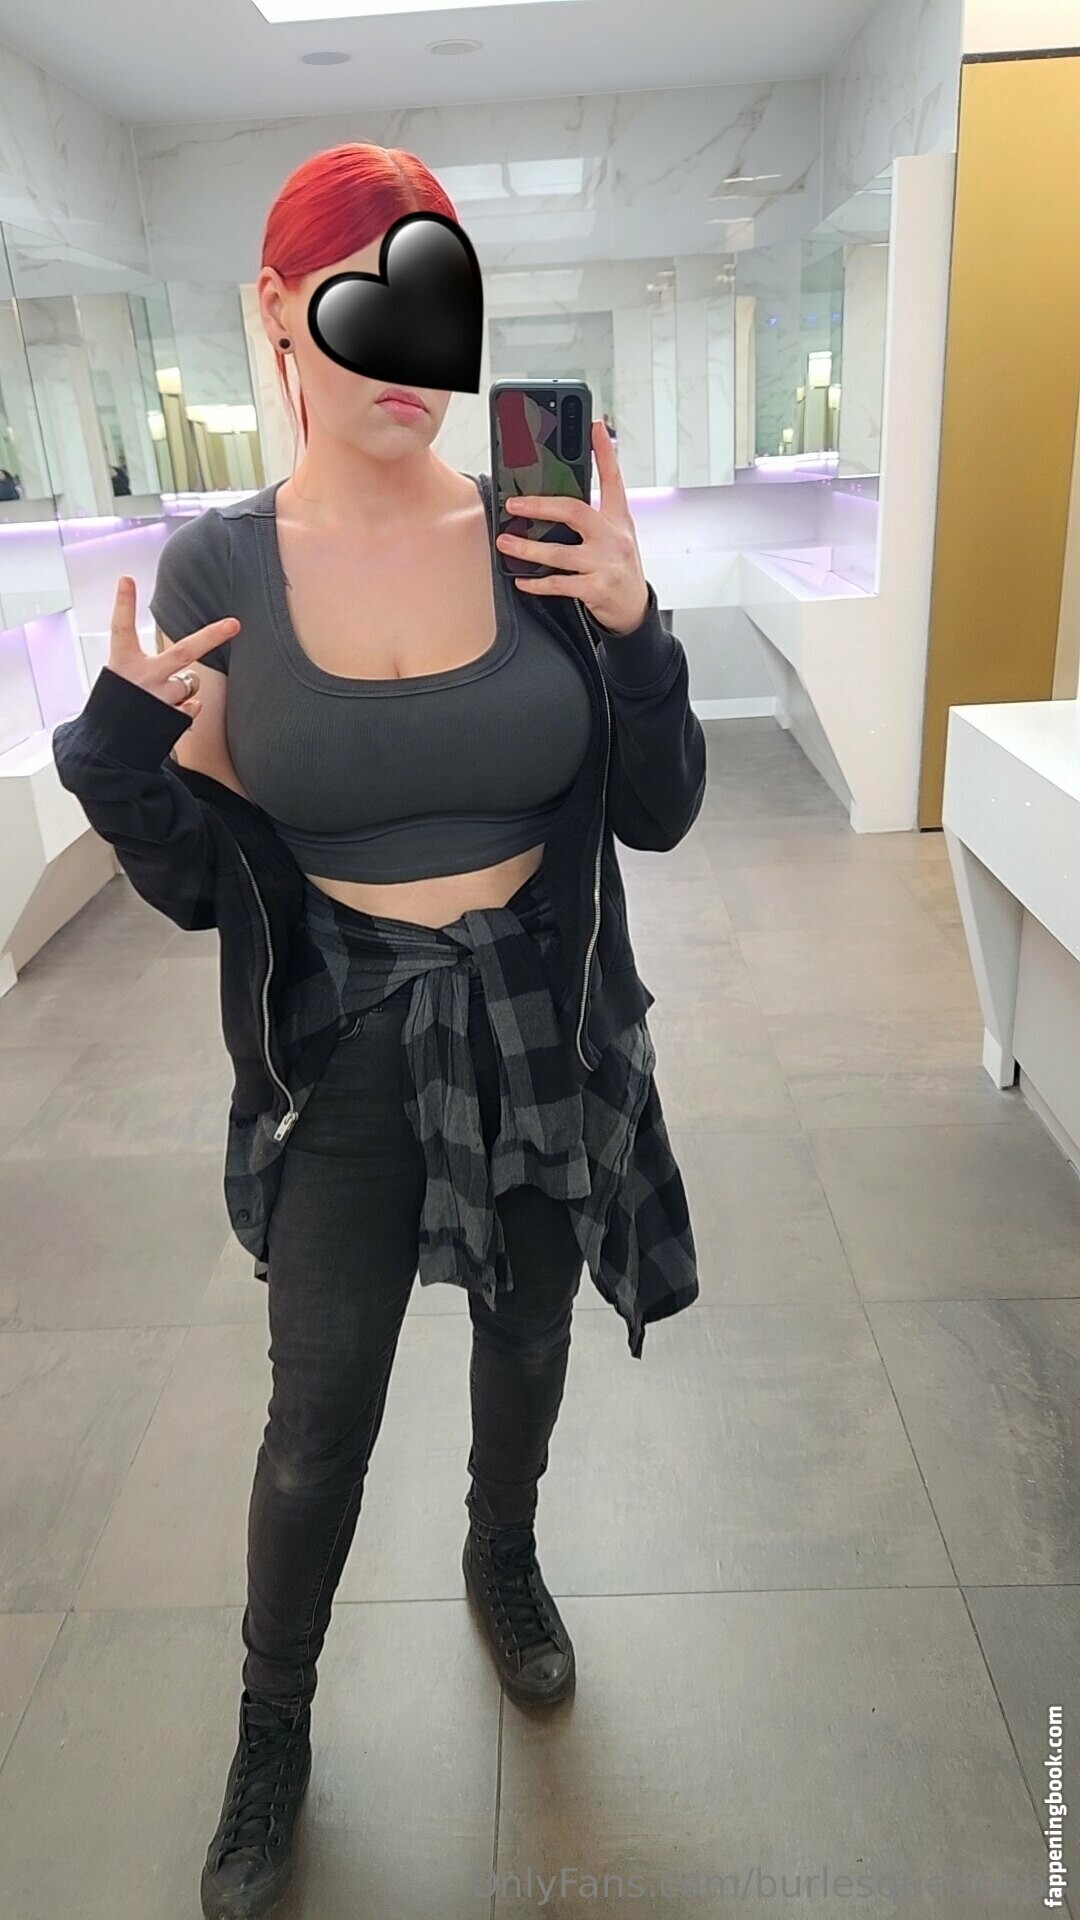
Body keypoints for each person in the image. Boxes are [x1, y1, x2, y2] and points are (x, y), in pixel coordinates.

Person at [51, 143, 706, 1920]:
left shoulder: (533, 532)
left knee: (528, 1329)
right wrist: (115, 759)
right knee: (318, 1411)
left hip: (544, 1013)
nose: (414, 356)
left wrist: (637, 627)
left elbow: (660, 809)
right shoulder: (221, 562)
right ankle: (273, 1722)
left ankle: (505, 1551)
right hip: (339, 1037)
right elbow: (203, 886)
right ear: (279, 312)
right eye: (369, 301)